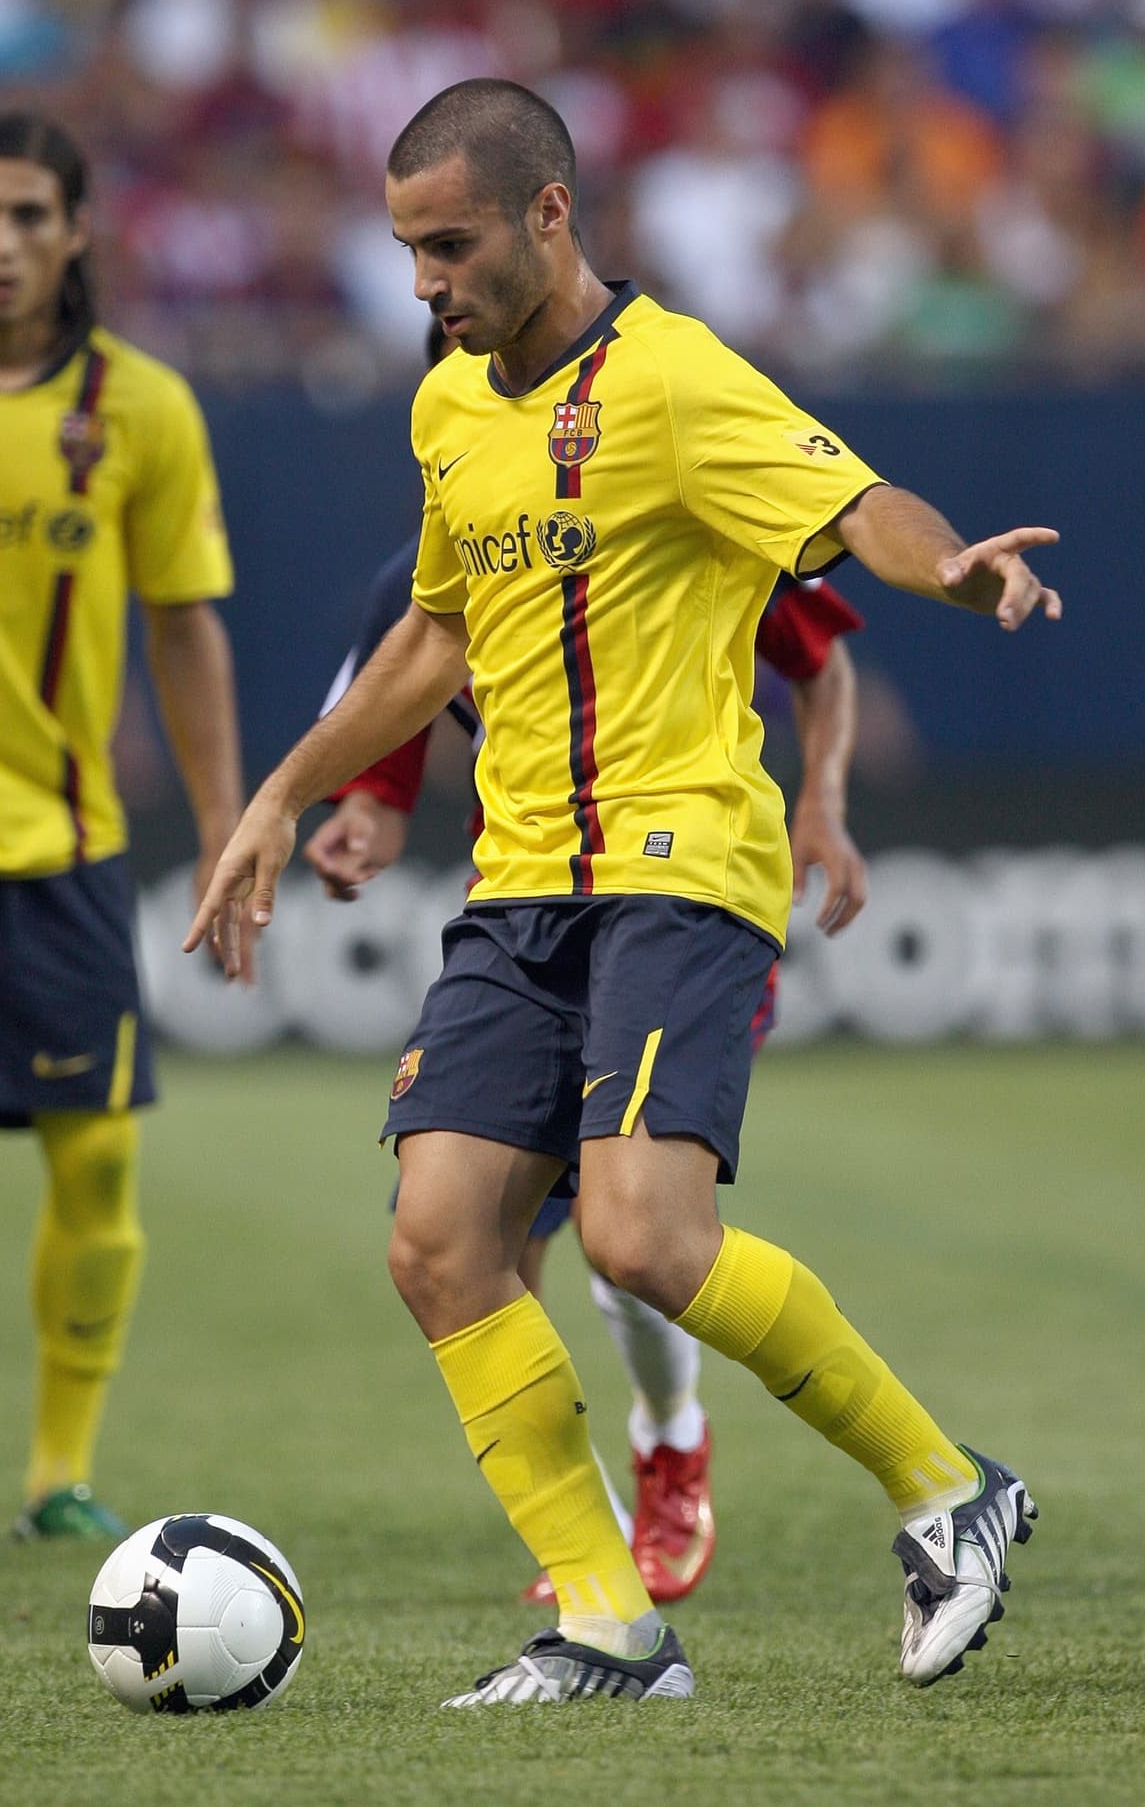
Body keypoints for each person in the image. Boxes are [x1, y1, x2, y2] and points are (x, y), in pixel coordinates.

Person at [187, 78, 1058, 1706]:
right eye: (405, 251)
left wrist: (952, 565)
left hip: (679, 864)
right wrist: (284, 792)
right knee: (441, 1243)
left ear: (548, 214)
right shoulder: (449, 410)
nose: (424, 282)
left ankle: (951, 1491)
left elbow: (856, 504)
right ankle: (608, 1624)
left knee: (644, 1236)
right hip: (519, 886)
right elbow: (434, 639)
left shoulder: (670, 377)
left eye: (448, 245)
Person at [305, 505, 869, 1610]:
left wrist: (822, 802)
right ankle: (591, 1540)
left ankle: (672, 1440)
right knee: (469, 1246)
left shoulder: (669, 502)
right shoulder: (420, 580)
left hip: (679, 902)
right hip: (526, 927)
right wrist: (353, 819)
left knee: (636, 1241)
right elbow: (379, 749)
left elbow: (819, 656)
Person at [0, 113, 247, 1541]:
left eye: (30, 218)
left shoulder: (142, 409)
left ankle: (58, 1474)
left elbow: (186, 629)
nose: (2, 243)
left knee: (99, 1160)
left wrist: (234, 822)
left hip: (54, 846)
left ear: (75, 237)